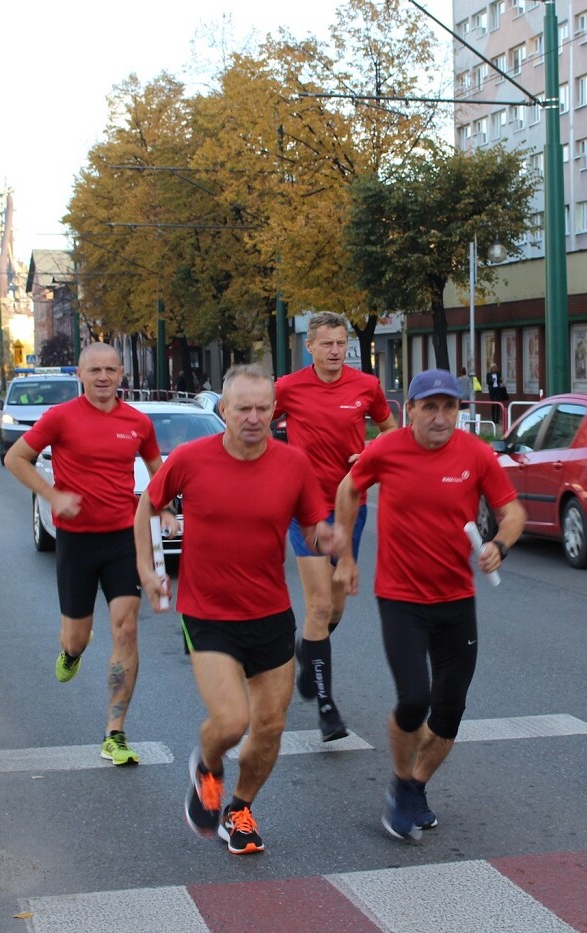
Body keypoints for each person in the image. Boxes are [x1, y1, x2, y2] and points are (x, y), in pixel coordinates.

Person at [134, 365, 332, 855]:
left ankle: (239, 809)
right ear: (223, 409)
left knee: (270, 727)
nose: (253, 417)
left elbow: (313, 526)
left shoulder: (294, 464)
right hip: (208, 612)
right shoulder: (190, 458)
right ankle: (207, 766)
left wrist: (329, 540)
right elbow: (147, 505)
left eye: (263, 408)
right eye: (243, 408)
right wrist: (147, 569)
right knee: (230, 721)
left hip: (270, 612)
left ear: (274, 411)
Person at [332, 368, 526, 841]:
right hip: (401, 599)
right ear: (411, 410)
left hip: (456, 601)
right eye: (431, 407)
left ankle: (416, 786)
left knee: (449, 711)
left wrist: (499, 545)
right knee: (414, 699)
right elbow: (349, 488)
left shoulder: (475, 453)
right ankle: (401, 783)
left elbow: (513, 510)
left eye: (450, 407)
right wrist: (346, 556)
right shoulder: (387, 449)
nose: (441, 418)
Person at [4, 342, 173, 766]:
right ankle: (73, 651)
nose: (103, 377)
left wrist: (166, 507)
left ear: (121, 375)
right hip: (76, 541)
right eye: (94, 370)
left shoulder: (137, 422)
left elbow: (159, 473)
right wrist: (52, 495)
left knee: (127, 629)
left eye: (110, 370)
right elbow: (15, 458)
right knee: (75, 637)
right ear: (80, 375)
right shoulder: (60, 417)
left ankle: (115, 733)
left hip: (122, 538)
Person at [274, 311, 397, 742]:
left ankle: (309, 650)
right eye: (326, 343)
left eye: (342, 343)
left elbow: (391, 431)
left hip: (350, 505)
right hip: (305, 508)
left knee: (338, 607)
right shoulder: (288, 387)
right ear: (309, 346)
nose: (335, 351)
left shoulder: (366, 386)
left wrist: (371, 453)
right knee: (320, 605)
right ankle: (327, 708)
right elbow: (246, 420)